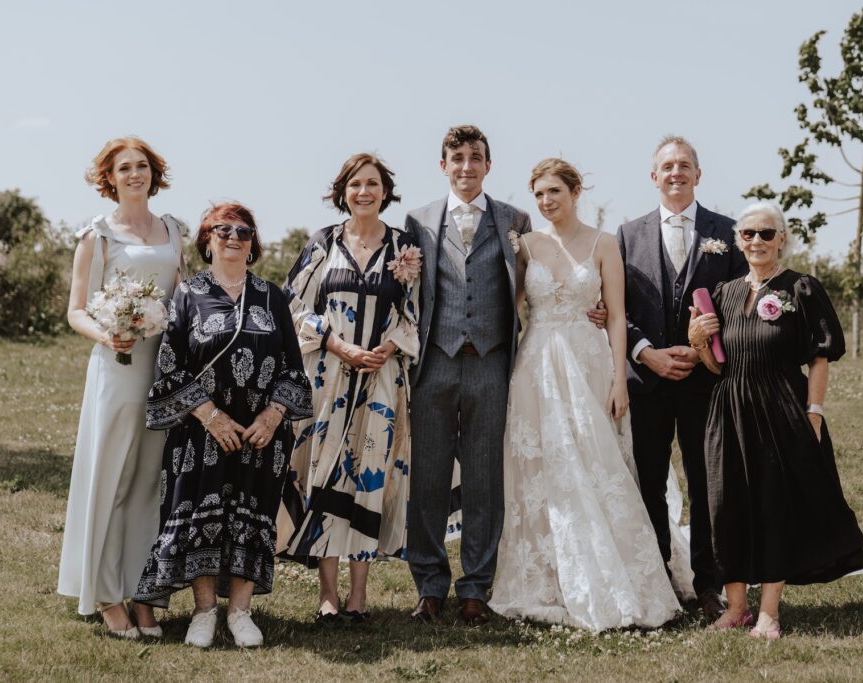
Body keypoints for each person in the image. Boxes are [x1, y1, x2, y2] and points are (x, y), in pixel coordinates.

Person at [405, 126, 605, 626]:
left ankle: (476, 586)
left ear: (488, 166)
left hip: (494, 364)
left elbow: (545, 277)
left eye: (476, 158)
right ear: (443, 165)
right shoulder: (418, 221)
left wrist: (591, 308)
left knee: (485, 480)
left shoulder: (513, 219)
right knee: (427, 480)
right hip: (434, 362)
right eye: (457, 158)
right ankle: (430, 586)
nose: (466, 166)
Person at [489, 159, 681, 631]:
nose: (545, 201)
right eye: (538, 194)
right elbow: (509, 310)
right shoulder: (526, 246)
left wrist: (620, 379)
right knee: (540, 470)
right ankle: (545, 579)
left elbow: (616, 316)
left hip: (589, 363)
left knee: (599, 463)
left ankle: (618, 574)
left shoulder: (604, 243)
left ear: (576, 192)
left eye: (554, 191)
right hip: (535, 366)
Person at [134, 203, 312, 648]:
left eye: (244, 231)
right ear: (207, 240)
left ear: (252, 244)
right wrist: (211, 416)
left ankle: (241, 612)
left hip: (260, 433)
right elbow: (170, 367)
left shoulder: (273, 297)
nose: (234, 237)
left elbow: (294, 368)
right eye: (224, 230)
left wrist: (273, 416)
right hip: (201, 433)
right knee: (199, 515)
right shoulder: (187, 295)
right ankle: (204, 612)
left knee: (253, 516)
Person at [687, 201, 863, 639]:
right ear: (738, 241)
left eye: (766, 233)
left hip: (779, 406)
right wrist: (697, 344)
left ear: (782, 238)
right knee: (724, 505)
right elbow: (717, 366)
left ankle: (768, 611)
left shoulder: (801, 289)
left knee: (773, 506)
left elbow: (819, 357)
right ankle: (735, 608)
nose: (757, 241)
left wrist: (815, 411)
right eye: (748, 234)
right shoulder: (725, 293)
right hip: (728, 408)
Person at [280, 153, 419, 624]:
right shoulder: (323, 244)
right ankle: (327, 594)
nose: (364, 192)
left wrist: (388, 345)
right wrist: (337, 344)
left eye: (373, 184)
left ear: (386, 191)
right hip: (330, 378)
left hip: (381, 379)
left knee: (369, 479)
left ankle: (359, 595)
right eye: (356, 184)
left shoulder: (405, 247)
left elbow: (416, 313)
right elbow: (293, 306)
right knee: (327, 473)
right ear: (343, 191)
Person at [616, 135, 747, 619]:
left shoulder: (727, 233)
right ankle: (659, 580)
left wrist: (705, 349)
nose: (676, 172)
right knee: (647, 481)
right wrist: (646, 353)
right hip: (648, 382)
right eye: (667, 166)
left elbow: (739, 305)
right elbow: (616, 309)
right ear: (654, 177)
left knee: (708, 483)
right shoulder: (627, 235)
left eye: (684, 165)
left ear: (698, 174)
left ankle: (709, 585)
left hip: (705, 383)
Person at [58, 136, 184, 638]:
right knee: (109, 480)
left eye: (143, 166)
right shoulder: (97, 235)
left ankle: (142, 590)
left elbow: (182, 296)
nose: (135, 174)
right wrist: (109, 333)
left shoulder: (174, 229)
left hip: (164, 368)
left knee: (148, 483)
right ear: (109, 178)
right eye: (125, 168)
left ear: (154, 173)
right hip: (118, 366)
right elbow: (75, 310)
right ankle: (106, 595)